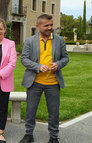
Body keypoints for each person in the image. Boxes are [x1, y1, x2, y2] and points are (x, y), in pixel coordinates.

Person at [19, 14, 69, 143]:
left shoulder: (60, 40)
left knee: (54, 112)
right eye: (46, 25)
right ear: (38, 26)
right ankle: (28, 134)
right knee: (31, 110)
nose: (50, 27)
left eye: (51, 25)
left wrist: (58, 64)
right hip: (34, 82)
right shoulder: (30, 41)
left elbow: (65, 58)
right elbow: (24, 59)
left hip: (53, 83)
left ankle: (53, 137)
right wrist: (38, 66)